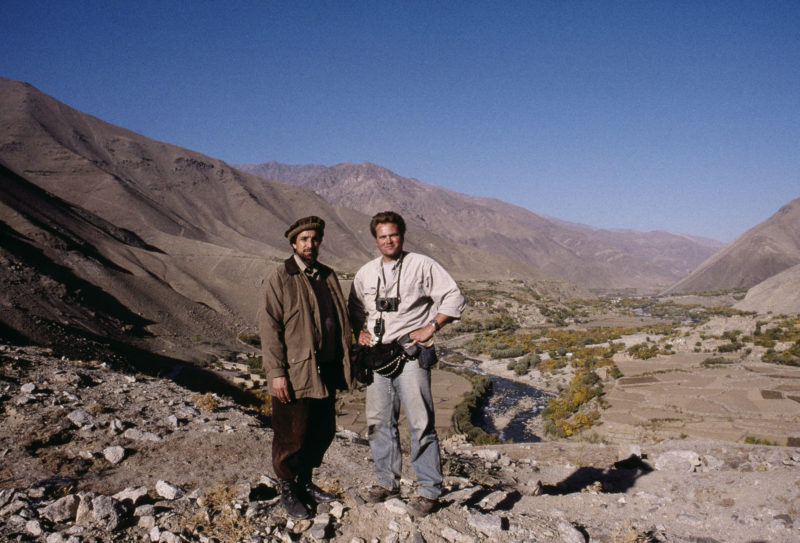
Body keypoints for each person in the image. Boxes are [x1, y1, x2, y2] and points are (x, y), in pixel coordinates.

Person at [348, 211, 466, 517]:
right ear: (375, 240)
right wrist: (358, 330)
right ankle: (386, 483)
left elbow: (453, 297)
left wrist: (432, 327)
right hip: (377, 356)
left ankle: (429, 490)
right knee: (378, 422)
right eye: (382, 236)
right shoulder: (365, 273)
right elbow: (354, 308)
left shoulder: (422, 265)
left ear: (402, 235)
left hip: (410, 354)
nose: (388, 241)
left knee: (420, 423)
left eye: (393, 235)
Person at [258, 215, 354, 519]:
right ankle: (287, 487)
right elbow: (269, 328)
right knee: (291, 432)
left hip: (325, 368)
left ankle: (305, 481)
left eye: (315, 239)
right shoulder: (280, 277)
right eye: (304, 240)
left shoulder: (327, 275)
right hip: (295, 371)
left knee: (320, 430)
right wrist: (276, 373)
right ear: (293, 243)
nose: (310, 244)